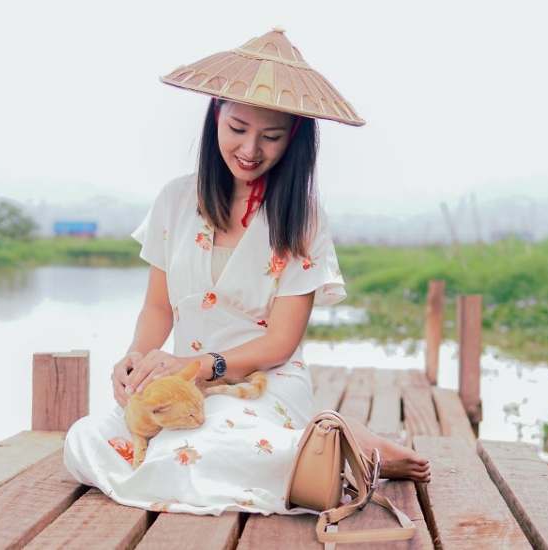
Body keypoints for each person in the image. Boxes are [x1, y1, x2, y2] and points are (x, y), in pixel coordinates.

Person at [64, 28, 430, 516]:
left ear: (294, 139)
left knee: (199, 447)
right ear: (216, 116)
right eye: (237, 128)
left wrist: (201, 366)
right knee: (87, 439)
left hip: (267, 382)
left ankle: (349, 446)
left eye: (271, 136)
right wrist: (135, 360)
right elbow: (157, 305)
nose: (250, 149)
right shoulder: (175, 200)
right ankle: (326, 442)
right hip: (183, 386)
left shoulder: (305, 219)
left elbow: (280, 342)